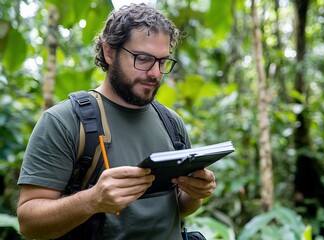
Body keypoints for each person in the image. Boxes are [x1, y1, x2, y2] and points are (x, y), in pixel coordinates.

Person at [17, 3, 216, 240]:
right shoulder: (64, 121)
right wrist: (93, 200)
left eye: (162, 62)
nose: (155, 73)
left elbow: (179, 208)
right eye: (143, 59)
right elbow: (29, 223)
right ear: (110, 52)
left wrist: (194, 193)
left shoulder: (171, 123)